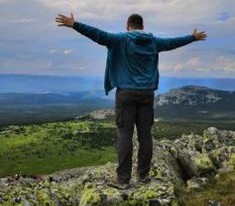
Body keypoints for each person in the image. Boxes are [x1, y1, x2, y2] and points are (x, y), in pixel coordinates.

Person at [55, 13, 207, 189]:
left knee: (125, 134)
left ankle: (123, 179)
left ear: (128, 27)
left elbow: (97, 34)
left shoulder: (120, 39)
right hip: (147, 94)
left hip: (126, 94)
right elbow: (173, 42)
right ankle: (143, 175)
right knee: (145, 134)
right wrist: (193, 37)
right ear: (142, 27)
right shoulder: (154, 42)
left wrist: (74, 24)